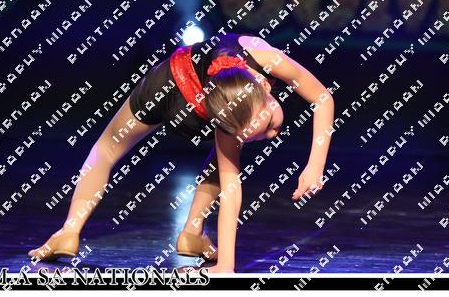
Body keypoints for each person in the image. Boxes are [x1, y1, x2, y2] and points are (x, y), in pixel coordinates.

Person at [27, 32, 335, 273]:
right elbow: (322, 97)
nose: (271, 135)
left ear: (265, 90)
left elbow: (322, 99)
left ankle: (74, 231)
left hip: (186, 90)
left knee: (108, 151)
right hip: (166, 87)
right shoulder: (260, 63)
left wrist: (314, 165)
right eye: (265, 128)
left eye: (263, 130)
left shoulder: (241, 91)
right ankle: (188, 229)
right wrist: (225, 267)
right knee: (111, 149)